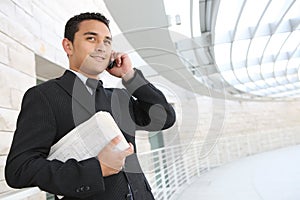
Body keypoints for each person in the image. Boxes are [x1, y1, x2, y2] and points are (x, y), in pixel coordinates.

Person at [5, 12, 176, 200]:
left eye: (107, 41)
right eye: (91, 38)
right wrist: (97, 168)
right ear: (68, 46)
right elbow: (19, 169)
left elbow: (165, 118)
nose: (101, 47)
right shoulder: (45, 96)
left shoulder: (119, 97)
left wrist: (130, 76)